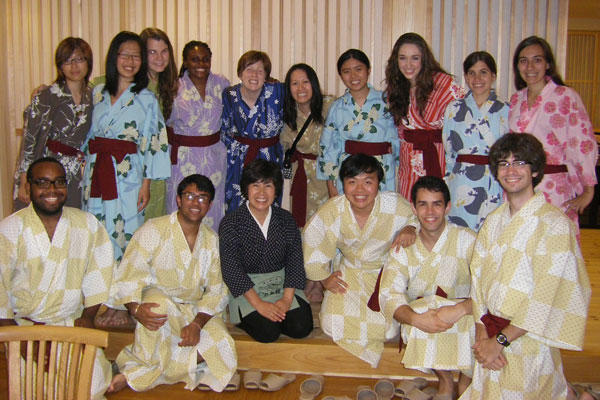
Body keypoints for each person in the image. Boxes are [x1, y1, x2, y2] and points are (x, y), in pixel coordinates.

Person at [462, 133, 591, 400]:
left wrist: (501, 341)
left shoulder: (554, 224)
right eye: (504, 163)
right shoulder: (494, 221)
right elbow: (477, 278)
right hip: (492, 332)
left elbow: (547, 294)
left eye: (519, 162)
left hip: (530, 336)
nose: (511, 170)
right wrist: (483, 336)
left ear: (534, 170)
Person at [108, 174, 237, 393]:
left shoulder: (212, 240)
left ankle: (136, 373)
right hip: (160, 304)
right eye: (189, 196)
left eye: (202, 198)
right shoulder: (154, 229)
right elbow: (129, 274)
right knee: (156, 308)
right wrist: (136, 309)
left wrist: (197, 324)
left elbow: (217, 290)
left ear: (210, 205)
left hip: (193, 310)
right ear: (178, 200)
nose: (195, 203)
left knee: (224, 346)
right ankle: (165, 366)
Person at [0, 158, 114, 400]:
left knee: (91, 388)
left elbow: (100, 271)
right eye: (42, 183)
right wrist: (16, 339)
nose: (52, 190)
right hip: (26, 329)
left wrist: (87, 317)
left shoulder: (86, 224)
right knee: (32, 391)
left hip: (70, 324)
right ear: (28, 187)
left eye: (59, 182)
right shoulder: (10, 228)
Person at [304, 154, 416, 367]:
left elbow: (414, 219)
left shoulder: (393, 205)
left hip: (384, 274)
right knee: (331, 323)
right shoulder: (334, 210)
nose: (360, 190)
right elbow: (315, 239)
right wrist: (324, 278)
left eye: (368, 182)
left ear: (378, 183)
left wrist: (410, 228)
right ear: (343, 184)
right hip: (350, 271)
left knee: (388, 329)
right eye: (352, 182)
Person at [379, 176, 476, 399]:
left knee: (477, 317)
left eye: (437, 204)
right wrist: (415, 319)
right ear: (414, 207)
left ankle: (467, 378)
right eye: (423, 204)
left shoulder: (467, 240)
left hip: (463, 313)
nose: (430, 212)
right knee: (419, 312)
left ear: (448, 206)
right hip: (426, 316)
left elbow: (489, 284)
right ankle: (444, 379)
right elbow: (389, 293)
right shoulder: (403, 247)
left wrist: (460, 309)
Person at [81, 31, 170, 262]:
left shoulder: (147, 98)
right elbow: (85, 131)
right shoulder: (97, 92)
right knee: (95, 226)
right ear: (114, 57)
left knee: (128, 229)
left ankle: (125, 287)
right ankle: (98, 287)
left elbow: (155, 141)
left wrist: (146, 184)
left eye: (136, 57)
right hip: (96, 171)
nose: (130, 62)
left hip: (129, 173)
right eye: (125, 55)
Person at [219, 159, 313, 343]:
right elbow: (232, 270)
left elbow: (294, 261)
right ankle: (248, 313)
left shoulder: (286, 220)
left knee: (301, 328)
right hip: (250, 289)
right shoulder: (231, 223)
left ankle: (278, 312)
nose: (261, 193)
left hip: (282, 284)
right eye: (255, 186)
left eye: (268, 186)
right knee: (268, 333)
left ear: (276, 189)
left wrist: (286, 300)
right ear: (246, 189)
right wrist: (260, 305)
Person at [508, 35, 597, 230]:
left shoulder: (565, 96)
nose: (530, 67)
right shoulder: (516, 100)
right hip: (518, 186)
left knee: (553, 247)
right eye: (524, 61)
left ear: (548, 64)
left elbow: (582, 143)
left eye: (537, 60)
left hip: (554, 188)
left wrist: (588, 189)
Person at [14, 37, 93, 210]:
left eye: (79, 59)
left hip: (81, 173)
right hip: (49, 168)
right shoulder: (46, 96)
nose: (74, 66)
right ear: (59, 65)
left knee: (75, 223)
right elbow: (29, 141)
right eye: (67, 61)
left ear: (88, 61)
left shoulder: (95, 95)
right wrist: (23, 181)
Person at [384, 32, 464, 199]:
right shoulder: (396, 89)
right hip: (409, 160)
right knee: (411, 208)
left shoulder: (443, 84)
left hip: (438, 156)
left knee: (436, 206)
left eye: (415, 58)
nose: (408, 65)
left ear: (424, 59)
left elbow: (462, 121)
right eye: (402, 58)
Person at [166, 41, 230, 230]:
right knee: (184, 205)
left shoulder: (222, 84)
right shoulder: (173, 87)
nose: (200, 64)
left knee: (212, 206)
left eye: (205, 59)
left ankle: (210, 255)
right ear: (185, 62)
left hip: (214, 157)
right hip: (183, 159)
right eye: (194, 60)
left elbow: (241, 97)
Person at [317, 49, 398, 196]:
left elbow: (398, 140)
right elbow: (328, 148)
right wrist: (331, 184)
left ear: (368, 70)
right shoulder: (337, 107)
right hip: (349, 172)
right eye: (346, 71)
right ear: (341, 75)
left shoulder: (387, 102)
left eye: (358, 69)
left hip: (383, 171)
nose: (353, 76)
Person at [443, 51, 509, 231]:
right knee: (460, 234)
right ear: (465, 77)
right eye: (471, 73)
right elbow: (449, 152)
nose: (477, 78)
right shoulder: (454, 108)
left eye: (484, 72)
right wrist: (448, 181)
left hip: (494, 181)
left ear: (493, 76)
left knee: (492, 233)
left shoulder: (506, 110)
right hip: (461, 182)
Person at [221, 51, 285, 212]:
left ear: (266, 76)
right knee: (237, 203)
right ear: (240, 73)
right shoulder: (229, 95)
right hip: (238, 159)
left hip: (269, 156)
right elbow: (224, 129)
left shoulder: (278, 91)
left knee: (268, 201)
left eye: (260, 70)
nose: (254, 75)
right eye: (249, 69)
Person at [281, 63, 332, 228]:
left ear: (314, 84)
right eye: (294, 83)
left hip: (327, 178)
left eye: (305, 82)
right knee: (301, 227)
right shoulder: (287, 114)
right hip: (300, 178)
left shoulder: (330, 106)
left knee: (327, 225)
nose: (300, 88)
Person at [139, 28, 179, 221]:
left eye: (164, 51)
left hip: (160, 164)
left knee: (155, 222)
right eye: (152, 52)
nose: (159, 58)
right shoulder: (132, 84)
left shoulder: (168, 84)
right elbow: (96, 85)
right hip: (136, 164)